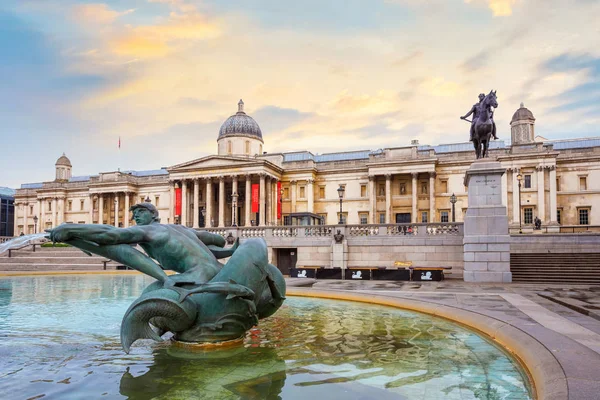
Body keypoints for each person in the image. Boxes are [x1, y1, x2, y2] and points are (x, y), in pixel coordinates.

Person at [47, 202, 238, 291]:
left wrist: (71, 228)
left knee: (150, 293)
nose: (135, 217)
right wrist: (225, 245)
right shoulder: (181, 228)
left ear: (154, 216)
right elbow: (215, 239)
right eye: (134, 213)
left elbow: (111, 234)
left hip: (199, 279)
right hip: (222, 273)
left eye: (140, 212)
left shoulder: (148, 231)